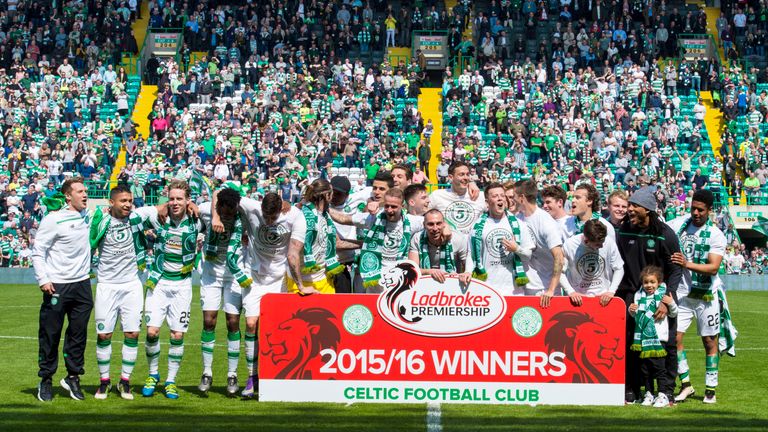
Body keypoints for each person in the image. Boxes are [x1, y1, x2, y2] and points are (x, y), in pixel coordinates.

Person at [89, 185, 158, 400]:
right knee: (104, 335)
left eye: (129, 200)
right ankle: (104, 382)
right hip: (107, 286)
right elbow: (88, 243)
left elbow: (163, 208)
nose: (128, 204)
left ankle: (125, 381)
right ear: (112, 202)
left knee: (132, 334)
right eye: (123, 201)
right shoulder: (101, 221)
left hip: (131, 285)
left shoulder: (137, 217)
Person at [616, 186, 683, 403]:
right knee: (632, 343)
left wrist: (667, 300)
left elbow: (675, 269)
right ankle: (634, 389)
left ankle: (667, 390)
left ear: (648, 209)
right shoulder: (623, 230)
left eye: (634, 206)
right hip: (631, 298)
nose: (630, 210)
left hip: (660, 298)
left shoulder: (665, 234)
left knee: (666, 345)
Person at [141, 180, 204, 400]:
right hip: (158, 284)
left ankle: (170, 381)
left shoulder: (197, 221)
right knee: (151, 332)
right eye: (171, 198)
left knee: (177, 335)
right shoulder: (159, 219)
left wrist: (197, 206)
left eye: (179, 198)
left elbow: (219, 211)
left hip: (182, 286)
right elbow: (133, 215)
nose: (175, 202)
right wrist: (157, 208)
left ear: (188, 200)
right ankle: (152, 374)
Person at [32, 178, 92, 402]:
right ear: (68, 196)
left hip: (83, 285)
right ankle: (45, 379)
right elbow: (38, 251)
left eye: (85, 191)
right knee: (50, 335)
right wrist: (43, 279)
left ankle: (73, 377)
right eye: (80, 191)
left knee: (78, 335)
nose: (85, 195)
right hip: (57, 285)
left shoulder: (90, 216)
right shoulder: (53, 219)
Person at [666, 189, 726, 404]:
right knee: (674, 339)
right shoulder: (680, 225)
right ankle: (686, 385)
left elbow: (713, 267)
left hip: (706, 296)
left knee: (709, 342)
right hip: (683, 295)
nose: (695, 213)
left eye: (700, 210)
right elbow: (662, 228)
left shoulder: (716, 234)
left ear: (710, 210)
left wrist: (686, 264)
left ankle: (710, 389)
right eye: (693, 208)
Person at [197, 187, 253, 396]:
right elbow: (191, 207)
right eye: (224, 211)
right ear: (218, 206)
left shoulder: (244, 216)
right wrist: (211, 215)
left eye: (232, 211)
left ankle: (232, 374)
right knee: (209, 321)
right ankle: (207, 372)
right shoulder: (206, 210)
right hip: (211, 274)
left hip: (234, 275)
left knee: (232, 323)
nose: (228, 215)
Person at [467, 183, 535, 295]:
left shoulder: (520, 225)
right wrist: (467, 271)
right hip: (486, 289)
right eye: (495, 196)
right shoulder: (477, 227)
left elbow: (528, 256)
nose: (500, 199)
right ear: (487, 202)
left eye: (502, 196)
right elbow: (471, 254)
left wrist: (517, 249)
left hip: (514, 291)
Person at [629, 266, 678, 408]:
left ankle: (662, 394)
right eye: (646, 282)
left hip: (658, 340)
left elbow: (674, 314)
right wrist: (631, 310)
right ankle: (649, 394)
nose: (649, 285)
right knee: (645, 370)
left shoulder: (663, 296)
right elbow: (637, 317)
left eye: (652, 282)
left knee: (659, 369)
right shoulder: (639, 295)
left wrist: (671, 304)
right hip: (643, 340)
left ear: (659, 282)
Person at [512, 179, 565, 306]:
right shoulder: (517, 219)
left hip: (544, 289)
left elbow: (559, 257)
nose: (512, 199)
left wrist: (551, 290)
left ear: (521, 198)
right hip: (524, 286)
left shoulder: (545, 222)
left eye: (514, 196)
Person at [560, 220, 624, 306]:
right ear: (586, 241)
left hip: (603, 298)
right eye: (597, 244)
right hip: (578, 300)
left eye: (603, 242)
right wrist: (571, 292)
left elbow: (619, 268)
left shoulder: (609, 242)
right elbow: (559, 272)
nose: (601, 246)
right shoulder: (570, 245)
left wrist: (611, 291)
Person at [408, 209, 473, 283]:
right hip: (425, 284)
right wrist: (429, 271)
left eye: (438, 223)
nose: (435, 228)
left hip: (452, 284)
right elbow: (412, 269)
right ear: (424, 225)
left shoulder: (457, 238)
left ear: (444, 224)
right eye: (430, 224)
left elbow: (467, 262)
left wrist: (467, 272)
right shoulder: (417, 238)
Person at [429, 162, 487, 234]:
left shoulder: (479, 195)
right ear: (451, 177)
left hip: (470, 244)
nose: (466, 177)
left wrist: (472, 183)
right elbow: (421, 215)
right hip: (447, 243)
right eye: (461, 174)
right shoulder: (437, 195)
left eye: (467, 174)